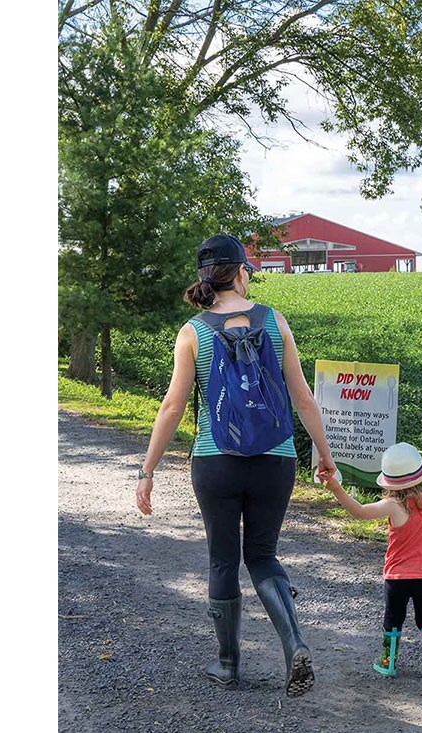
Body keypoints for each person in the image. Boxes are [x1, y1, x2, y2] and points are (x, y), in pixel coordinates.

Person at [135, 234, 338, 697]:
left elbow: (172, 406)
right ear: (241, 272)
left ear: (205, 277)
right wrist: (325, 455)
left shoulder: (194, 331)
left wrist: (147, 471)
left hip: (215, 461)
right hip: (276, 459)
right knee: (262, 556)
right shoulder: (274, 321)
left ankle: (228, 664)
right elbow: (302, 397)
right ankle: (295, 643)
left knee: (223, 558)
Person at [322, 443, 422, 687]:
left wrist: (336, 488)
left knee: (393, 618)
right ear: (420, 475)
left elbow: (360, 511)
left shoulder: (394, 505)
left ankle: (388, 663)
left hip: (397, 577)